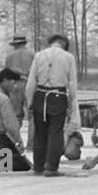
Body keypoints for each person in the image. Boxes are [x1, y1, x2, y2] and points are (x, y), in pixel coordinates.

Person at [24, 32, 78, 176]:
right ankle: (51, 167)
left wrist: (29, 102)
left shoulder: (39, 55)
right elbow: (72, 82)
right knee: (55, 133)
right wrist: (72, 102)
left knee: (40, 134)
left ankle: (39, 166)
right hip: (58, 97)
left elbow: (31, 81)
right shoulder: (68, 57)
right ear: (64, 44)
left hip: (40, 96)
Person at [2, 34, 32, 122]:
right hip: (29, 85)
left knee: (15, 115)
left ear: (15, 44)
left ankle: (13, 134)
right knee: (32, 114)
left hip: (14, 85)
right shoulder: (33, 55)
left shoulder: (9, 57)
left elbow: (6, 73)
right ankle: (32, 135)